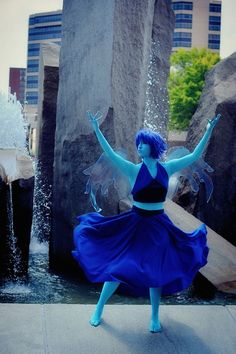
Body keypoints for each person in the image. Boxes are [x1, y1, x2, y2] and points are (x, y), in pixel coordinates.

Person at [72, 111, 221, 333]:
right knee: (118, 268)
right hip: (135, 224)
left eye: (142, 144)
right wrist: (96, 129)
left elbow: (194, 156)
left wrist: (208, 129)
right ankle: (98, 309)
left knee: (156, 271)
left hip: (159, 225)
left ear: (152, 146)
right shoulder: (133, 169)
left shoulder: (166, 167)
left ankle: (154, 317)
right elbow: (110, 153)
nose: (139, 147)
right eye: (138, 144)